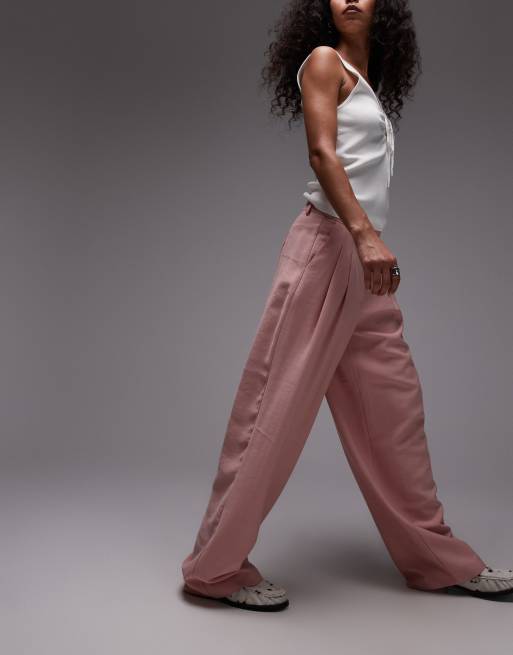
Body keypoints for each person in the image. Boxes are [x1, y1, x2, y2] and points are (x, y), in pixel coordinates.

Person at [181, 0, 513, 612]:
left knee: (394, 412)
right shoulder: (323, 62)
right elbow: (322, 153)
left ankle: (436, 560)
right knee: (273, 413)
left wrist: (366, 245)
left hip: (363, 266)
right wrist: (364, 236)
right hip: (329, 248)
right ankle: (214, 568)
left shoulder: (367, 82)